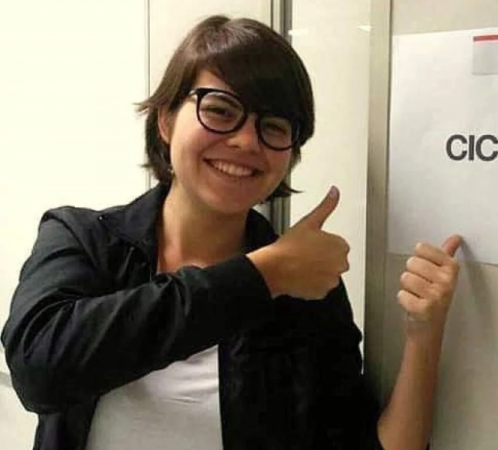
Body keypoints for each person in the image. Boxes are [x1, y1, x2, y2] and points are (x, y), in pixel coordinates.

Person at [1, 15, 461, 450]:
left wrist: (424, 336)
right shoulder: (85, 239)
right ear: (165, 120)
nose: (246, 141)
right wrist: (263, 275)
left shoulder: (305, 288)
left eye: (273, 126)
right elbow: (38, 371)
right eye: (220, 111)